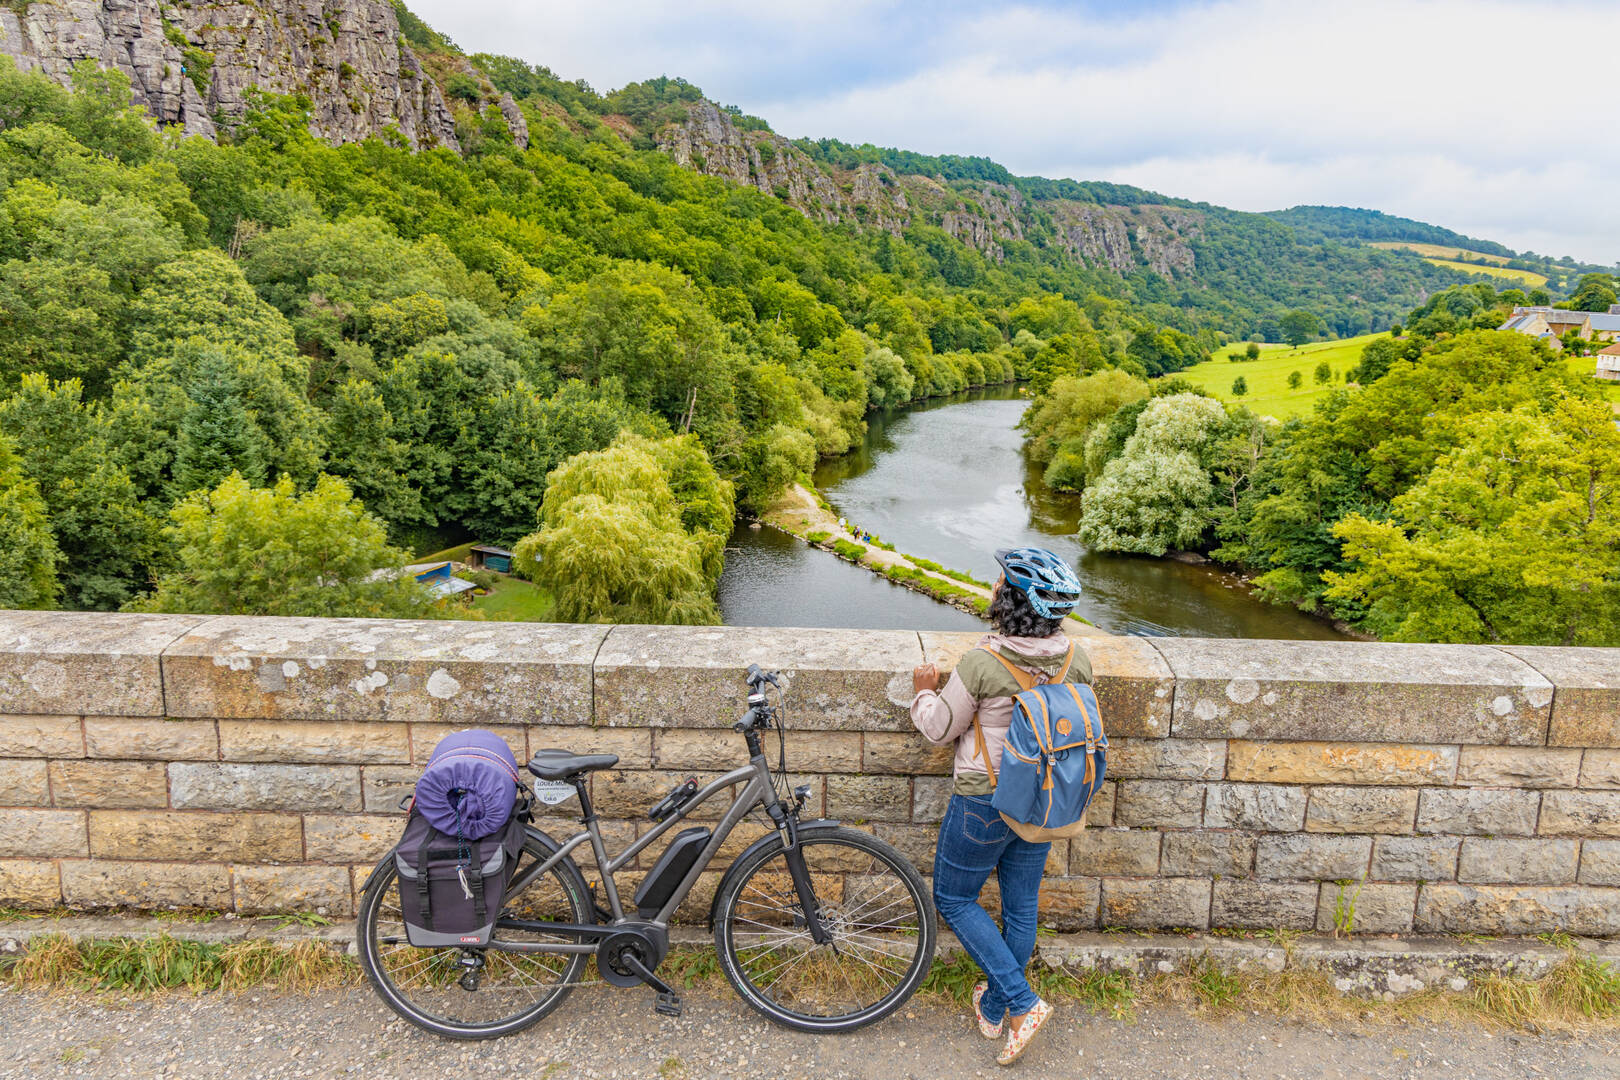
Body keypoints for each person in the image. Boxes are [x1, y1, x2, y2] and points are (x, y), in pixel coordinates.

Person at [910, 547, 1089, 1066]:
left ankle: (1021, 1001)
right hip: (1043, 798)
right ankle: (992, 1005)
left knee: (953, 898)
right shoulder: (1079, 659)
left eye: (999, 583)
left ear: (1010, 600)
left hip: (984, 801)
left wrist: (924, 693)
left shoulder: (983, 663)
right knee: (1021, 907)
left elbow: (942, 730)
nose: (992, 587)